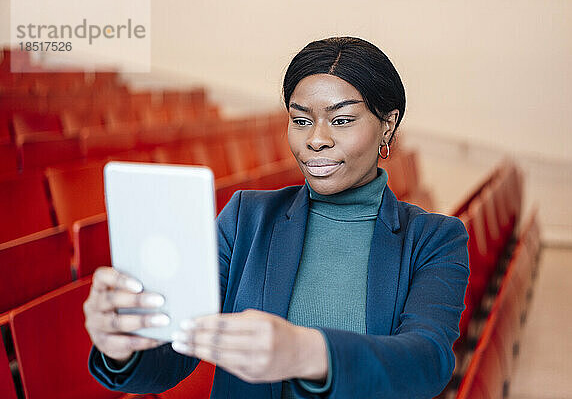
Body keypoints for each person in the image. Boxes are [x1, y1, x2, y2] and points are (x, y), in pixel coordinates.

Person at [85, 36, 470, 399]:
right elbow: (174, 353)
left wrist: (305, 352)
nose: (315, 140)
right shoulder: (246, 218)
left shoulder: (434, 238)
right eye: (301, 120)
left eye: (342, 120)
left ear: (388, 124)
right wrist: (122, 346)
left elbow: (427, 361)